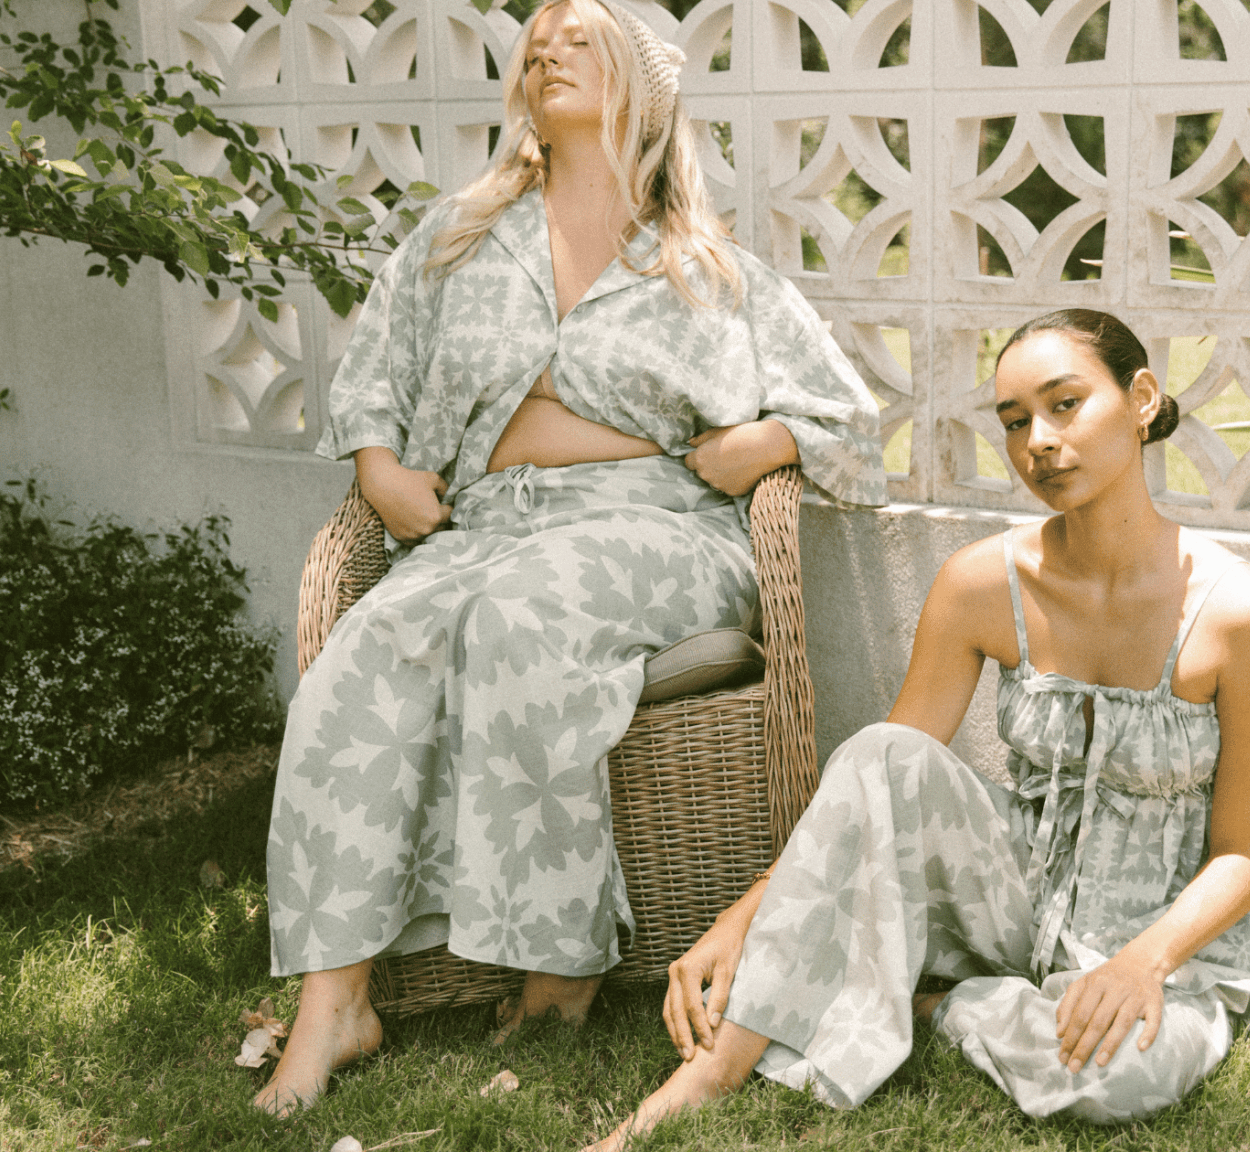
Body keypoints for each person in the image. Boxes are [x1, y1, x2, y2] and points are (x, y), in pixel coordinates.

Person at [253, 0, 885, 1116]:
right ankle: (332, 1003)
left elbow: (847, 419)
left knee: (528, 614)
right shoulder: (454, 239)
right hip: (488, 524)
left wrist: (763, 441)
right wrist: (375, 466)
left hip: (658, 525)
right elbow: (374, 373)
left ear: (641, 85)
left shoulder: (704, 266)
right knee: (364, 651)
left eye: (575, 38)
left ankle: (558, 974)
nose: (544, 49)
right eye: (532, 44)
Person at [592, 308, 1250, 1147]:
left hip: (1168, 930)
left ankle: (944, 1004)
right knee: (882, 747)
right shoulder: (981, 582)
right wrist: (742, 918)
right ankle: (714, 1069)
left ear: (1142, 398)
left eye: (1065, 404)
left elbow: (1242, 855)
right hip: (1020, 895)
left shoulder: (1241, 613)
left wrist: (1140, 964)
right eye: (1014, 422)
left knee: (1116, 1079)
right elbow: (875, 786)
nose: (1038, 440)